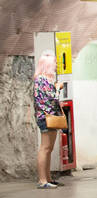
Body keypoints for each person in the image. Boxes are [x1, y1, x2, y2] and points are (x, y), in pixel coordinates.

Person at [32, 51, 62, 189]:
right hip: (46, 117)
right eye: (55, 63)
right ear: (48, 65)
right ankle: (42, 180)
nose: (56, 65)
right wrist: (57, 88)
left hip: (51, 117)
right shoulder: (41, 80)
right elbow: (51, 99)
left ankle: (48, 178)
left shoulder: (46, 79)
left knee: (49, 149)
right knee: (44, 148)